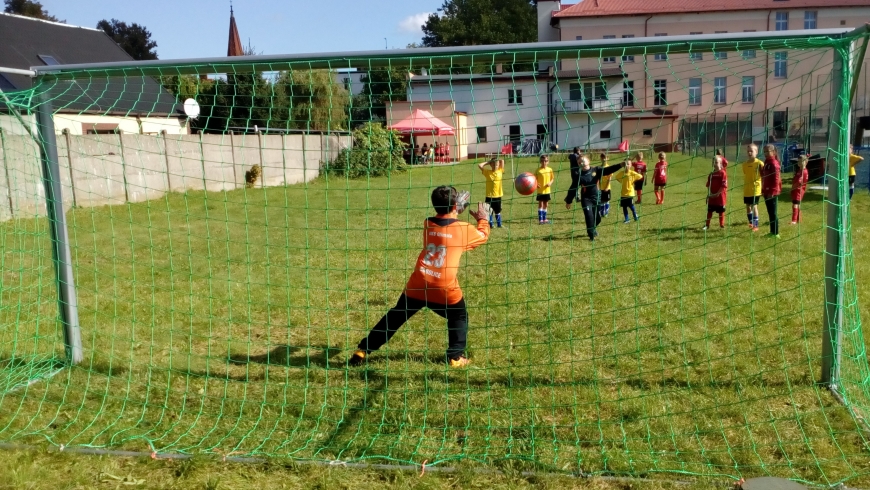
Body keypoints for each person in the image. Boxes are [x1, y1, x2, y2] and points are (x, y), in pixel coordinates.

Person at [348, 186, 490, 368]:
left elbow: (446, 225)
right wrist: (483, 219)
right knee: (459, 316)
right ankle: (455, 356)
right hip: (444, 288)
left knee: (395, 316)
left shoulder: (428, 223)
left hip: (419, 282)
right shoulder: (464, 229)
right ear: (455, 205)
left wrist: (455, 209)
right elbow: (482, 235)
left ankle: (363, 350)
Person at [564, 154, 623, 240]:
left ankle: (592, 228)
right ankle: (591, 235)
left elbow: (608, 170)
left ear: (589, 161)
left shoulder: (596, 170)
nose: (581, 163)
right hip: (586, 199)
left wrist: (620, 165)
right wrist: (569, 201)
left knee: (598, 219)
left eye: (583, 161)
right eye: (579, 162)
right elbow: (573, 188)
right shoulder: (578, 175)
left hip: (596, 197)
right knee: (589, 216)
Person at [761, 144, 782, 238]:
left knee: (773, 212)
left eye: (767, 151)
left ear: (773, 152)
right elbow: (765, 176)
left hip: (772, 192)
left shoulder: (774, 163)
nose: (765, 153)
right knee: (770, 212)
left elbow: (776, 179)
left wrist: (772, 192)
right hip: (766, 191)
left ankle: (776, 233)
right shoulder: (766, 162)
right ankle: (772, 231)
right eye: (764, 151)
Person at [741, 144, 764, 231]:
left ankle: (756, 225)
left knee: (754, 206)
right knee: (748, 206)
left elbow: (763, 175)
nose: (749, 153)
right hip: (747, 189)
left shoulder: (759, 163)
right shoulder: (744, 165)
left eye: (752, 151)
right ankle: (751, 222)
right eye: (748, 151)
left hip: (756, 188)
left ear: (756, 152)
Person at [479, 157, 504, 228]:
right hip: (489, 196)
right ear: (490, 165)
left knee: (498, 211)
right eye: (493, 165)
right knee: (489, 211)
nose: (495, 166)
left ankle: (499, 224)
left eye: (496, 165)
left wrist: (497, 160)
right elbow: (480, 165)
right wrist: (489, 162)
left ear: (498, 165)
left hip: (498, 195)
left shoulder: (500, 171)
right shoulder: (487, 172)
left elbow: (502, 160)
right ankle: (491, 224)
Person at [704, 156, 728, 230]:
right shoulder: (711, 174)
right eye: (713, 162)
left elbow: (723, 185)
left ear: (721, 164)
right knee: (709, 211)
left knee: (721, 211)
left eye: (716, 162)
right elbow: (708, 185)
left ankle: (722, 225)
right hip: (712, 197)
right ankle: (707, 225)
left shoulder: (723, 173)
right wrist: (709, 193)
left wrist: (717, 193)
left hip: (720, 197)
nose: (714, 164)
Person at [535, 155, 555, 224]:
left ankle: (544, 218)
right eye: (543, 161)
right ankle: (540, 220)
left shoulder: (550, 169)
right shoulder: (538, 170)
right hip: (540, 191)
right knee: (541, 204)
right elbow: (534, 179)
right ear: (540, 162)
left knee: (546, 204)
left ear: (548, 162)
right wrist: (536, 184)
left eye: (546, 161)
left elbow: (552, 178)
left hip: (547, 190)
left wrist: (550, 183)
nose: (544, 162)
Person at [791, 154, 809, 225]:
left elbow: (799, 182)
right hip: (795, 190)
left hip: (798, 190)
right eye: (798, 161)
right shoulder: (799, 170)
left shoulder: (803, 172)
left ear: (806, 162)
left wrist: (793, 187)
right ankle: (799, 219)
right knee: (796, 204)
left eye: (801, 161)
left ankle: (794, 221)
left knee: (795, 204)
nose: (799, 163)